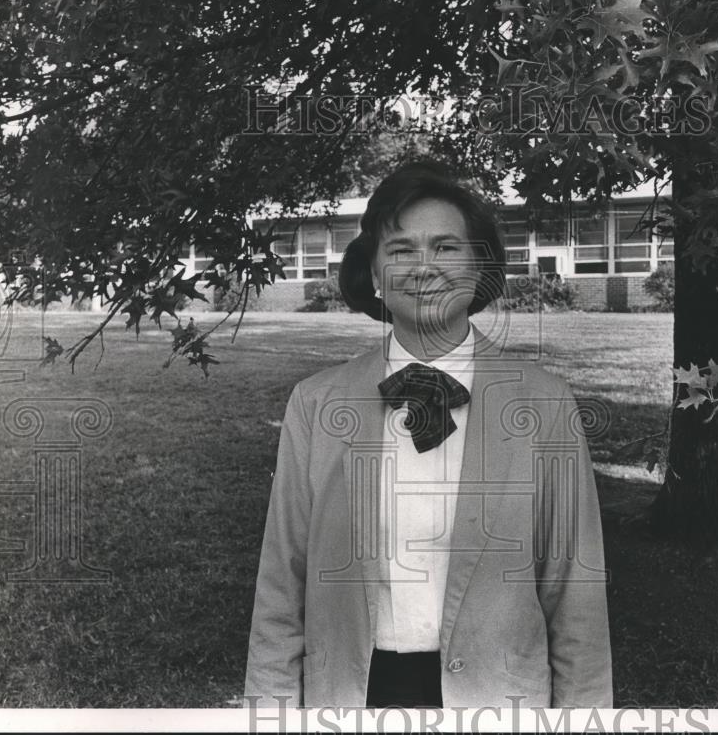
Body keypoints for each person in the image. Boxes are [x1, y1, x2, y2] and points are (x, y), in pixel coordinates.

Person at [244, 159, 612, 709]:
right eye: (400, 250)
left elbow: (574, 592)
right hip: (352, 698)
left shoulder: (545, 404)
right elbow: (282, 585)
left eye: (446, 247)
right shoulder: (316, 403)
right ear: (374, 275)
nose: (424, 267)